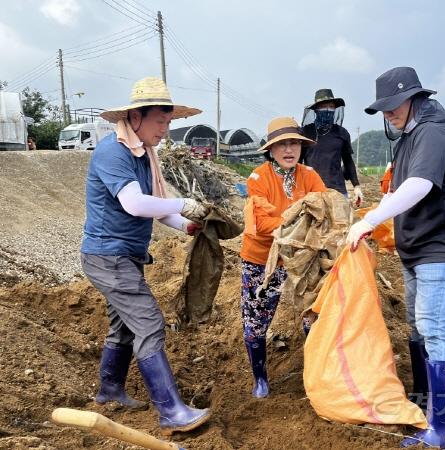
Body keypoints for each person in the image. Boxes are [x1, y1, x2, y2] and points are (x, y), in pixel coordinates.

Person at [347, 67, 445, 449]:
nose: (388, 114)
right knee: (417, 326)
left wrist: (370, 219)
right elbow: (397, 190)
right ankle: (422, 400)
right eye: (383, 109)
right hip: (416, 247)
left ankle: (442, 429)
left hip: (441, 246)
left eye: (393, 106)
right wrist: (373, 220)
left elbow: (419, 185)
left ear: (415, 98)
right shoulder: (409, 136)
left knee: (434, 329)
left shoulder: (434, 132)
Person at [80, 77, 211, 435]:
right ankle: (171, 411)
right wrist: (184, 203)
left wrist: (184, 225)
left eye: (168, 123)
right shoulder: (114, 152)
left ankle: (109, 391)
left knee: (124, 326)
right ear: (136, 117)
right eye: (160, 122)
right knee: (149, 323)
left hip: (124, 255)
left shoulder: (143, 153)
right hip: (108, 256)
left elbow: (155, 206)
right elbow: (135, 204)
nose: (165, 131)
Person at [240, 117, 327, 398]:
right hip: (262, 259)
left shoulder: (310, 176)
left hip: (302, 259)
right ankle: (260, 378)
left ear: (302, 146)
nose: (289, 149)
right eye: (282, 144)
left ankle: (317, 373)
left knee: (313, 315)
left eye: (294, 143)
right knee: (256, 318)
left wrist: (295, 225)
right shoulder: (258, 178)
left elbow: (324, 213)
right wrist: (299, 221)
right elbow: (263, 224)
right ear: (271, 149)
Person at [300, 89, 363, 206]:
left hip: (338, 190)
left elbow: (348, 161)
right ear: (316, 110)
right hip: (311, 191)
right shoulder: (305, 132)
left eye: (331, 106)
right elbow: (297, 162)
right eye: (324, 106)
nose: (328, 110)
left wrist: (357, 187)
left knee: (340, 223)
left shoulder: (342, 133)